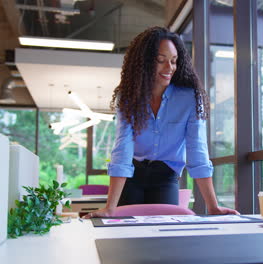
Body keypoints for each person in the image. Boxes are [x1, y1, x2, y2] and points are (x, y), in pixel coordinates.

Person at [83, 26, 239, 218]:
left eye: (174, 61)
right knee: (125, 232)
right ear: (145, 62)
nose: (169, 68)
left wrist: (213, 207)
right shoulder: (128, 97)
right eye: (160, 61)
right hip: (132, 175)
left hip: (166, 176)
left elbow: (197, 151)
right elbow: (123, 148)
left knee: (164, 229)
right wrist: (109, 208)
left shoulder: (190, 98)